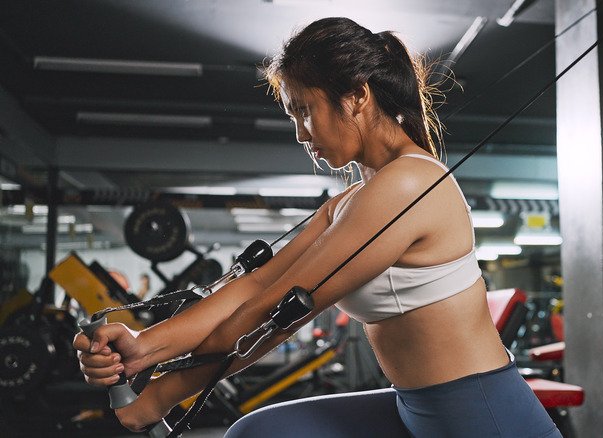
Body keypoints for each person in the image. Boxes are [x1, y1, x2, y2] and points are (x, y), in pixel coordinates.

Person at [73, 17, 561, 438]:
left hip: (481, 416)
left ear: (357, 96)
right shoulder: (352, 200)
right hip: (415, 409)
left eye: (305, 110)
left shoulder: (410, 184)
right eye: (293, 116)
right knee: (261, 432)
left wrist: (159, 392)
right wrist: (141, 348)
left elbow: (274, 312)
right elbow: (257, 284)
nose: (301, 134)